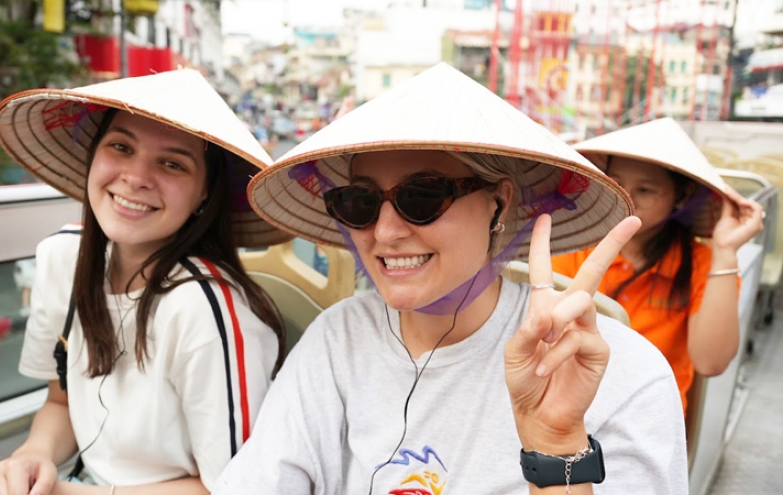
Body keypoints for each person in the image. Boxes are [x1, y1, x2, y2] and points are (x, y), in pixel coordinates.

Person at [215, 63, 688, 494]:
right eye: (358, 202)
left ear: (498, 205)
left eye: (422, 197)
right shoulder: (339, 340)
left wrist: (556, 445)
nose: (384, 232)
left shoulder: (621, 376)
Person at [0, 69, 291, 495]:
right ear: (93, 156)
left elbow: (237, 488)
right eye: (121, 146)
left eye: (172, 163)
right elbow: (61, 401)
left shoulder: (205, 310)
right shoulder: (61, 258)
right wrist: (33, 457)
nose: (136, 177)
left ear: (204, 194)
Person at [552, 118, 765, 413]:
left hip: (651, 420)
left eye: (645, 190)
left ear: (682, 196)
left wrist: (726, 251)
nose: (626, 199)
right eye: (616, 183)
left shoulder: (704, 264)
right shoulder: (575, 244)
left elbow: (711, 362)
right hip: (569, 408)